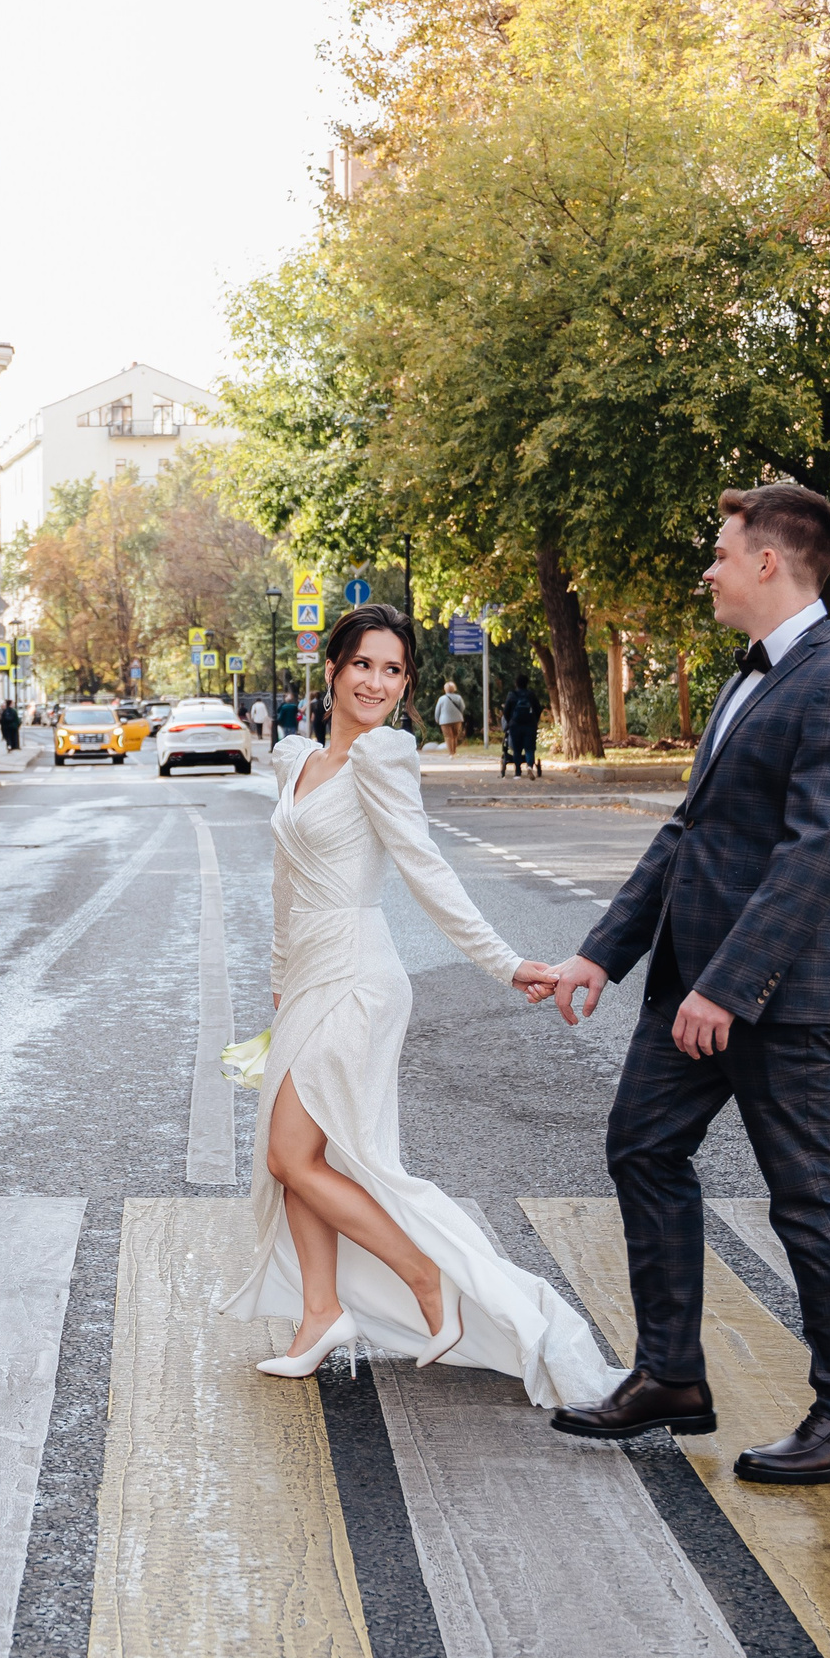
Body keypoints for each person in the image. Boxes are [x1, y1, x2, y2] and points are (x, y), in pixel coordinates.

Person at [545, 483, 830, 1485]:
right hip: (691, 984)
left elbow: (812, 854)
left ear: (766, 562)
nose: (706, 567)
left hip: (774, 994)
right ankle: (669, 1374)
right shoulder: (749, 676)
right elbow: (688, 836)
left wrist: (729, 985)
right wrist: (599, 953)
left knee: (809, 1198)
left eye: (719, 550)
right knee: (641, 1147)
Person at [222, 602, 618, 1411]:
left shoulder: (384, 759)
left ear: (405, 686)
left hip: (362, 978)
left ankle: (423, 1277)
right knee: (308, 1158)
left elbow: (427, 871)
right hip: (308, 978)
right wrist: (276, 976)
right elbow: (284, 884)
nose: (376, 681)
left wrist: (507, 963)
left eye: (393, 669)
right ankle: (322, 1315)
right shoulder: (295, 758)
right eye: (363, 663)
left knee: (290, 1156)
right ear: (331, 668)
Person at [501, 676, 543, 779]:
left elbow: (506, 711)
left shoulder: (512, 695)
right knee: (529, 748)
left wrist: (510, 721)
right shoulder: (531, 695)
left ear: (516, 684)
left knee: (517, 749)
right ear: (527, 683)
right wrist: (534, 721)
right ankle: (529, 766)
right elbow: (538, 709)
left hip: (515, 725)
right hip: (530, 725)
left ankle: (518, 772)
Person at [434, 681, 467, 755]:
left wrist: (437, 719)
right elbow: (462, 708)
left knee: (448, 736)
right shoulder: (458, 697)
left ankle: (450, 753)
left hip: (444, 720)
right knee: (455, 736)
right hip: (457, 719)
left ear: (445, 689)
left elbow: (437, 711)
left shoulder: (441, 699)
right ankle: (454, 751)